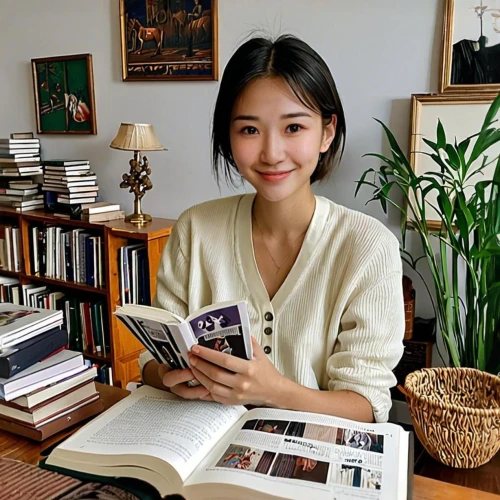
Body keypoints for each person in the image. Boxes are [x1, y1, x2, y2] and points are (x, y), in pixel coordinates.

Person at [140, 34, 405, 423]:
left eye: (294, 128)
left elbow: (366, 406)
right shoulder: (195, 229)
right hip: (200, 451)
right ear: (228, 137)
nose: (271, 153)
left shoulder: (367, 247)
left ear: (326, 133)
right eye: (249, 130)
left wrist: (273, 390)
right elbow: (151, 361)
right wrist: (168, 375)